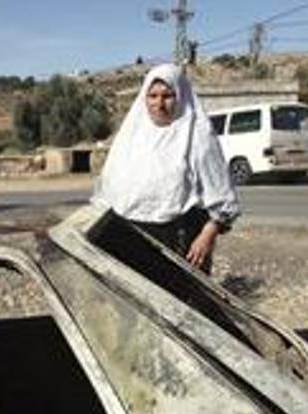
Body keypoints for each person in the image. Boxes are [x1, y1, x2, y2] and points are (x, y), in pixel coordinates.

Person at [94, 64, 240, 272]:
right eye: (152, 96)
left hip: (181, 243)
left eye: (167, 96)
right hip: (132, 240)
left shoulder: (197, 137)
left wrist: (207, 235)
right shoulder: (130, 138)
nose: (159, 104)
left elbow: (222, 198)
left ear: (180, 96)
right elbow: (107, 194)